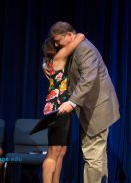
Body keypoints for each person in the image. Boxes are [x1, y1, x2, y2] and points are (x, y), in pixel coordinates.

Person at [48, 21, 120, 183]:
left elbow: (89, 78)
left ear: (69, 35)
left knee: (93, 155)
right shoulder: (74, 48)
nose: (56, 44)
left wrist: (72, 102)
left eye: (58, 40)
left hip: (97, 109)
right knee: (94, 155)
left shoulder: (85, 49)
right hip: (91, 108)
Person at [42, 33, 85, 183]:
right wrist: (71, 36)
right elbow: (80, 37)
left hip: (63, 108)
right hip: (57, 108)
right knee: (54, 151)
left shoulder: (55, 60)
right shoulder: (59, 57)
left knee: (61, 151)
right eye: (58, 42)